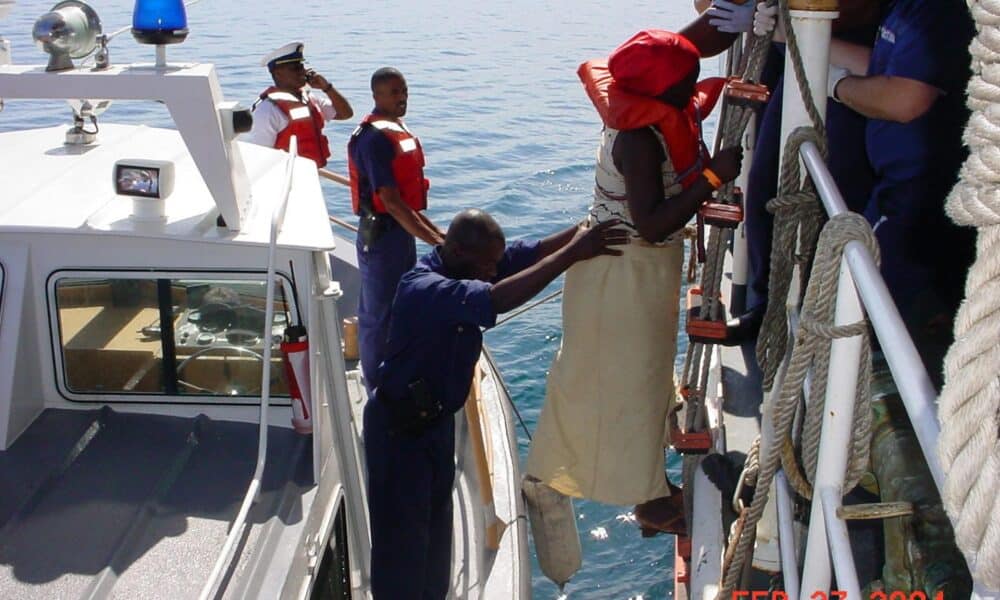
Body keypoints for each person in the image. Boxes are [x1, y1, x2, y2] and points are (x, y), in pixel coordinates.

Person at [525, 30, 743, 535]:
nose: (692, 88)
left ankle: (653, 487)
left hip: (635, 274)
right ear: (656, 92)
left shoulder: (653, 120)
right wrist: (712, 178)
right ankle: (648, 499)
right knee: (625, 390)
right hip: (620, 279)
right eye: (685, 81)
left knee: (642, 383)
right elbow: (651, 223)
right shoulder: (639, 139)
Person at [364, 209, 627, 599]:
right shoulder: (424, 287)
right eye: (486, 264)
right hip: (399, 436)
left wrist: (584, 229)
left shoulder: (471, 264)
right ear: (455, 251)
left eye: (495, 262)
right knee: (401, 553)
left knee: (436, 544)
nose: (493, 270)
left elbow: (531, 253)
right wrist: (575, 253)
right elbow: (496, 298)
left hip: (435, 427)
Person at [827, 0, 975, 380]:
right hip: (900, 191)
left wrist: (839, 87)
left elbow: (904, 99)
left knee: (888, 307)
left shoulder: (938, 11)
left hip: (920, 197)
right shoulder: (908, 8)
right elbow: (884, 65)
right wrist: (796, 34)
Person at [348, 67, 445, 394]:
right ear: (377, 95)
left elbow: (407, 203)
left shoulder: (394, 129)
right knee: (377, 314)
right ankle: (376, 386)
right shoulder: (373, 139)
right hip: (381, 238)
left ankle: (399, 365)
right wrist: (433, 239)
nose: (402, 98)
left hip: (400, 232)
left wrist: (440, 236)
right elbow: (390, 201)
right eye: (394, 92)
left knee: (402, 302)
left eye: (404, 90)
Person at [247, 41, 353, 168]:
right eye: (295, 68)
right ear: (278, 74)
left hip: (310, 175)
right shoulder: (267, 110)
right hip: (286, 181)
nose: (303, 72)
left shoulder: (309, 98)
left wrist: (327, 88)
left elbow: (346, 114)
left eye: (302, 66)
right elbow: (260, 156)